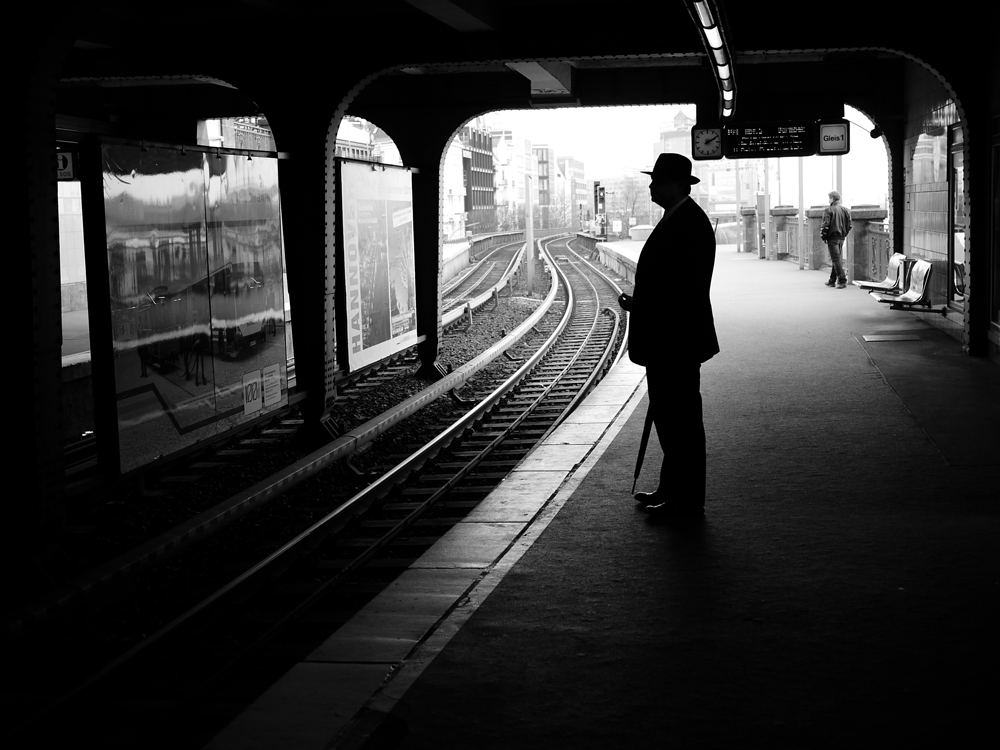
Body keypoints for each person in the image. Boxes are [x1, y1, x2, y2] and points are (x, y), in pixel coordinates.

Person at [618, 153, 719, 518]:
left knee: (682, 423)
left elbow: (683, 290)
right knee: (671, 419)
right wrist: (642, 302)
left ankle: (687, 501)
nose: (650, 186)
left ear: (677, 185)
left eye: (657, 181)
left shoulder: (689, 224)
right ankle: (672, 490)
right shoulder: (680, 218)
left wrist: (642, 305)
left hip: (676, 340)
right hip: (670, 338)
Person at [821, 191, 852, 288]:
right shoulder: (846, 210)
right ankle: (832, 280)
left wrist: (823, 236)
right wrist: (844, 234)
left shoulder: (828, 210)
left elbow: (825, 225)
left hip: (832, 237)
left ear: (832, 199)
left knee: (835, 259)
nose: (828, 200)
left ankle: (842, 280)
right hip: (841, 237)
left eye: (829, 198)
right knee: (836, 258)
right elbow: (849, 225)